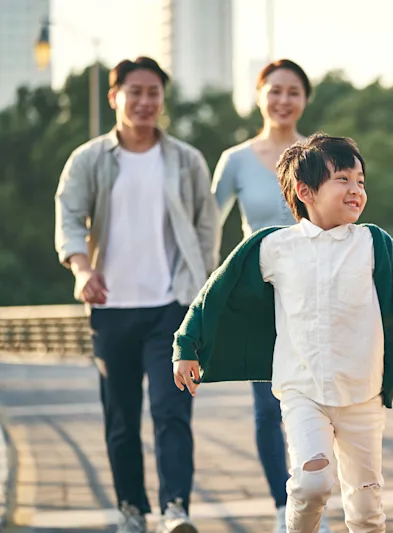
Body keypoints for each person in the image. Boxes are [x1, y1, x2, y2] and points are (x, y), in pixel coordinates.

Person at [172, 133, 393, 533]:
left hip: (363, 394)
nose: (356, 190)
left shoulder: (375, 243)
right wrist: (187, 345)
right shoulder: (273, 246)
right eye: (343, 180)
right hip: (302, 391)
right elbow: (215, 293)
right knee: (311, 484)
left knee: (367, 508)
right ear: (305, 191)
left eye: (361, 181)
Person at [54, 56, 220, 533]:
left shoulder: (186, 159)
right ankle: (131, 509)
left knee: (172, 412)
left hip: (172, 307)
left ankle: (175, 509)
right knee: (122, 417)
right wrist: (81, 268)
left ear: (162, 99)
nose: (146, 101)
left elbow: (207, 224)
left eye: (154, 93)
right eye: (136, 92)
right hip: (110, 308)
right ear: (115, 97)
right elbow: (68, 216)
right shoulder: (88, 159)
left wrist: (201, 282)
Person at [211, 59, 330, 533]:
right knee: (267, 409)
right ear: (259, 94)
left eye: (293, 92)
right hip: (260, 300)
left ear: (304, 99)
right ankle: (287, 508)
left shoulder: (322, 153)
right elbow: (207, 226)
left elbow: (345, 209)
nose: (283, 100)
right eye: (274, 90)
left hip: (319, 293)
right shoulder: (236, 159)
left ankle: (314, 500)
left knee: (324, 401)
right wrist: (212, 294)